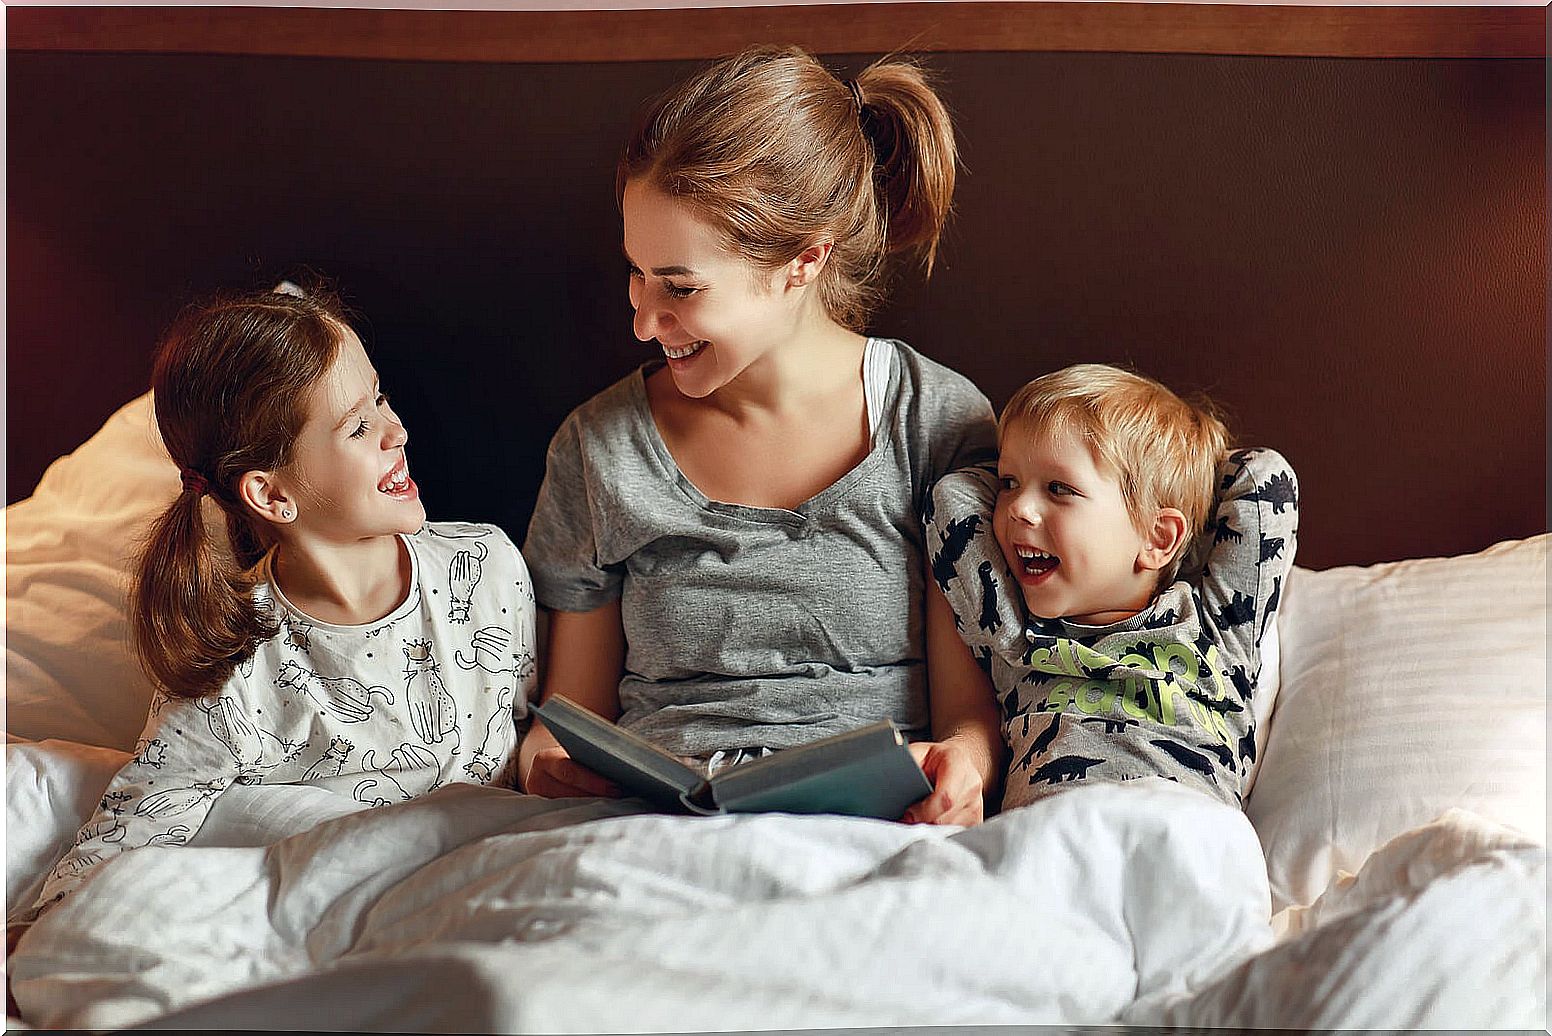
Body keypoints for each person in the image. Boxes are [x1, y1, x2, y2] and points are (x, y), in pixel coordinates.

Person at [518, 45, 1002, 825]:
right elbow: (566, 713)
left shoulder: (933, 425)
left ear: (805, 261)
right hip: (655, 833)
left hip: (870, 830)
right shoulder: (597, 447)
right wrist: (546, 759)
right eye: (636, 273)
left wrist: (963, 768)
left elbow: (969, 716)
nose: (643, 320)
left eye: (680, 287)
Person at [17, 284, 537, 926]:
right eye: (357, 425)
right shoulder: (234, 668)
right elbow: (116, 847)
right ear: (271, 493)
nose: (397, 431)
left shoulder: (487, 567)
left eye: (380, 398)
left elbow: (532, 751)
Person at [924, 363, 1299, 811]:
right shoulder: (1015, 639)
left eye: (1059, 488)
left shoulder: (1217, 632)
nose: (1019, 509)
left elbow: (1264, 478)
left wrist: (1183, 471)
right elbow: (952, 496)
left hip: (1185, 834)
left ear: (1159, 538)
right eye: (1008, 483)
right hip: (1050, 840)